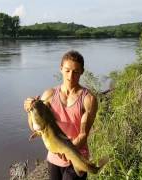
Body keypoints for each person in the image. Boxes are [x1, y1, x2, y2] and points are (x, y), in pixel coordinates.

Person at [24, 50, 98, 180]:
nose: (70, 76)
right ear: (61, 69)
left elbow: (83, 134)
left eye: (75, 71)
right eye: (67, 70)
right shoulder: (49, 95)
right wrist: (29, 111)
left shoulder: (88, 99)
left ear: (82, 71)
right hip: (54, 157)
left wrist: (69, 151)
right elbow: (35, 127)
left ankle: (94, 169)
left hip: (77, 155)